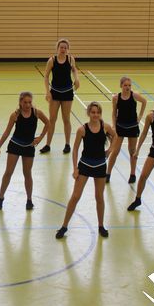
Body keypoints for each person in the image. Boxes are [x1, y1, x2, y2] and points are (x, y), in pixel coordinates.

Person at [56, 101, 116, 239]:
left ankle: (101, 226)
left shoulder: (105, 127)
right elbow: (75, 149)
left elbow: (116, 136)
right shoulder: (82, 130)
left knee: (99, 197)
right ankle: (64, 226)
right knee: (75, 196)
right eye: (93, 112)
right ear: (89, 113)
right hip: (85, 165)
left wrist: (110, 150)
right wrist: (75, 168)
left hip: (100, 166)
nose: (95, 115)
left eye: (98, 112)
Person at [0, 92, 50, 211]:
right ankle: (0, 198)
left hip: (29, 147)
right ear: (20, 102)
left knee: (27, 173)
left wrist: (40, 138)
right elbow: (7, 132)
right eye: (25, 102)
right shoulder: (15, 115)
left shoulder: (37, 113)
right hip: (15, 145)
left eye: (30, 102)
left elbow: (48, 123)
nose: (28, 105)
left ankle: (29, 200)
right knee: (8, 172)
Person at [40, 39, 79, 154]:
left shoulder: (70, 59)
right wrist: (47, 92)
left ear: (68, 49)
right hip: (55, 92)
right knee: (52, 119)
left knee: (66, 119)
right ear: (57, 48)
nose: (63, 49)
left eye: (65, 48)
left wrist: (77, 79)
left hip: (67, 92)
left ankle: (67, 144)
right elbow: (46, 76)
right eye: (61, 47)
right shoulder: (52, 60)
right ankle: (48, 145)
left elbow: (74, 70)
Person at [106, 76, 147, 184]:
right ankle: (108, 173)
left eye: (129, 85)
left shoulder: (134, 95)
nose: (127, 87)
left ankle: (133, 174)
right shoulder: (116, 98)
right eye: (125, 85)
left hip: (132, 127)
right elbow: (114, 113)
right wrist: (114, 126)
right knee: (115, 151)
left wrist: (140, 116)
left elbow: (144, 101)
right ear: (121, 86)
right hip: (120, 127)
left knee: (132, 151)